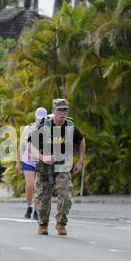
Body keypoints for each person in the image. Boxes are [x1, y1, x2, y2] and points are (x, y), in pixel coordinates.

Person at [29, 99, 86, 236]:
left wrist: (80, 161)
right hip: (45, 166)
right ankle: (43, 224)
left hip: (62, 165)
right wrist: (43, 157)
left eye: (65, 110)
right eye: (59, 110)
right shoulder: (44, 126)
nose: (62, 113)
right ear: (53, 111)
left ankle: (61, 223)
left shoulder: (70, 126)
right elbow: (31, 145)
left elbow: (81, 140)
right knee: (44, 197)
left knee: (66, 194)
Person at [16, 107, 48, 220]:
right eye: (39, 119)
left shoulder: (48, 130)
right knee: (29, 185)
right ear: (35, 117)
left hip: (40, 161)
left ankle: (36, 209)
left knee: (37, 186)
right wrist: (18, 162)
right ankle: (29, 206)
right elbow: (21, 146)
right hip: (28, 160)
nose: (40, 121)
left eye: (42, 119)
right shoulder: (28, 129)